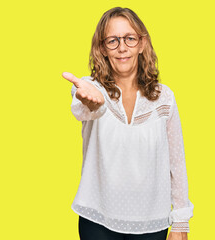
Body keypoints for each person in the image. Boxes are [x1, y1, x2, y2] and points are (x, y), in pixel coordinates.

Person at [62, 7, 194, 240]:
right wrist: (90, 101)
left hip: (152, 222)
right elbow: (85, 108)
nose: (122, 47)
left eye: (130, 38)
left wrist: (181, 221)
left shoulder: (164, 98)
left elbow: (177, 162)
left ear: (142, 44)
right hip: (97, 219)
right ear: (102, 48)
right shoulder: (90, 87)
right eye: (112, 40)